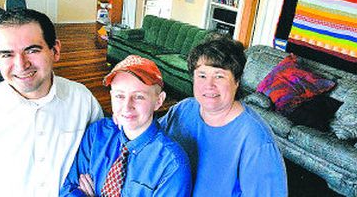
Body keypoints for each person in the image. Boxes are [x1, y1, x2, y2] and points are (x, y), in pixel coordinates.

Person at [0, 9, 103, 197]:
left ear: (55, 51)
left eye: (32, 50)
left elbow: (101, 159)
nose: (21, 64)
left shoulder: (82, 100)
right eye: (7, 54)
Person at [159, 36, 288, 196]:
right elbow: (151, 142)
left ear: (237, 81)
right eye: (202, 75)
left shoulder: (257, 141)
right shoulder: (184, 109)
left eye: (219, 76)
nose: (209, 85)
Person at [60, 55, 192, 197]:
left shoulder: (171, 164)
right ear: (111, 96)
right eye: (119, 96)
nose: (127, 106)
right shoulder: (97, 133)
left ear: (159, 101)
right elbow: (68, 189)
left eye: (139, 96)